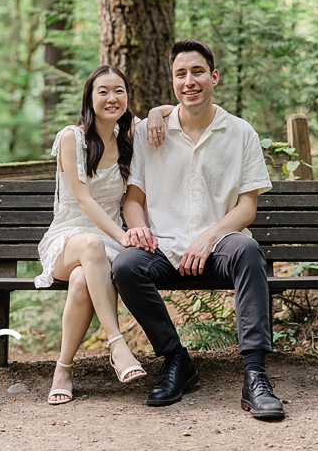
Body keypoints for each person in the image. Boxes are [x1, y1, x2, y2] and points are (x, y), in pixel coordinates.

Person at [110, 39, 284, 419]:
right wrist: (138, 229)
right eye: (181, 74)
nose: (190, 81)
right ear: (173, 82)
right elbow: (133, 199)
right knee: (124, 265)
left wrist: (209, 236)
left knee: (249, 252)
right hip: (165, 248)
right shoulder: (149, 134)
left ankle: (255, 375)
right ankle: (176, 360)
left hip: (219, 248)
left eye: (198, 72)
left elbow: (247, 207)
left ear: (214, 77)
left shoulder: (241, 133)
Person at [36, 66, 171, 405]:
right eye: (103, 91)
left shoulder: (130, 136)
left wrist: (156, 112)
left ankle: (63, 369)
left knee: (84, 280)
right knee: (91, 245)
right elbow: (83, 199)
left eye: (119, 91)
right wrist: (123, 237)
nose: (112, 98)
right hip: (68, 239)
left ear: (127, 96)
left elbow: (175, 110)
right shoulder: (73, 137)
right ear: (90, 97)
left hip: (103, 245)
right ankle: (117, 345)